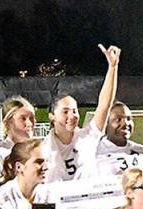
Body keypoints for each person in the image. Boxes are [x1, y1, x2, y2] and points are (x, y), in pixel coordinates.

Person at [43, 44, 121, 181]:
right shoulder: (43, 150)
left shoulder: (87, 137)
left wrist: (113, 67)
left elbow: (104, 104)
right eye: (65, 111)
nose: (72, 116)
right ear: (52, 117)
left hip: (89, 200)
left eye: (74, 111)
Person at [0, 96, 36, 192]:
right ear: (8, 122)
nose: (29, 123)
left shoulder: (37, 151)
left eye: (32, 118)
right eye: (23, 118)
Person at [95, 102, 143, 177]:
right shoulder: (94, 152)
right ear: (105, 125)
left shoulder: (141, 151)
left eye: (129, 119)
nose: (125, 123)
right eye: (118, 119)